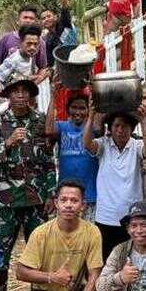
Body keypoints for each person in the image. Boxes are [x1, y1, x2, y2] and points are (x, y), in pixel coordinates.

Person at [0, 74, 57, 291]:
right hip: (7, 202)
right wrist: (8, 143)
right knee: (0, 254)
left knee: (40, 254)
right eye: (16, 91)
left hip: (36, 201)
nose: (21, 95)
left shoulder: (40, 121)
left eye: (26, 91)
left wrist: (51, 194)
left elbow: (48, 161)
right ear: (8, 95)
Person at [11, 180, 112, 291]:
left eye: (74, 200)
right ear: (56, 203)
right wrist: (52, 277)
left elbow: (93, 277)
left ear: (83, 205)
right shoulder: (41, 233)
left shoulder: (92, 232)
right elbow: (20, 272)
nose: (69, 205)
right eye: (64, 200)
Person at [86, 109, 146, 258]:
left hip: (130, 217)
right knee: (105, 259)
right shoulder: (103, 144)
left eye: (125, 126)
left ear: (132, 129)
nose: (120, 130)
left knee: (130, 260)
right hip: (105, 216)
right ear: (110, 128)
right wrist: (91, 116)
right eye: (116, 126)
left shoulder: (137, 145)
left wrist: (142, 120)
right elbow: (87, 144)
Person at [47, 90, 98, 218]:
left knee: (88, 235)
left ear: (88, 110)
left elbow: (99, 123)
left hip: (90, 195)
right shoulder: (62, 127)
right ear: (68, 109)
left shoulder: (93, 128)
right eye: (74, 107)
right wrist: (53, 94)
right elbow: (48, 130)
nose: (78, 112)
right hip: (66, 197)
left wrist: (93, 86)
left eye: (82, 108)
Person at [0, 25, 47, 112]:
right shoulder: (14, 59)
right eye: (29, 44)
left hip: (20, 97)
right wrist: (0, 94)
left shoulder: (29, 56)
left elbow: (21, 75)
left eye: (35, 44)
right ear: (20, 43)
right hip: (9, 100)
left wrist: (35, 78)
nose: (32, 48)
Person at [0, 5, 50, 69]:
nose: (28, 20)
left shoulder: (40, 42)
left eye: (31, 18)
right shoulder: (6, 38)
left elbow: (42, 67)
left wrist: (38, 77)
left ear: (35, 22)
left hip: (29, 78)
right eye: (25, 17)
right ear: (18, 21)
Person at [41, 0, 76, 64]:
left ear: (56, 17)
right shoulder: (47, 39)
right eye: (43, 18)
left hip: (76, 60)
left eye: (49, 16)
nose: (46, 19)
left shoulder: (64, 24)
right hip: (62, 67)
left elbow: (65, 8)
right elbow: (50, 60)